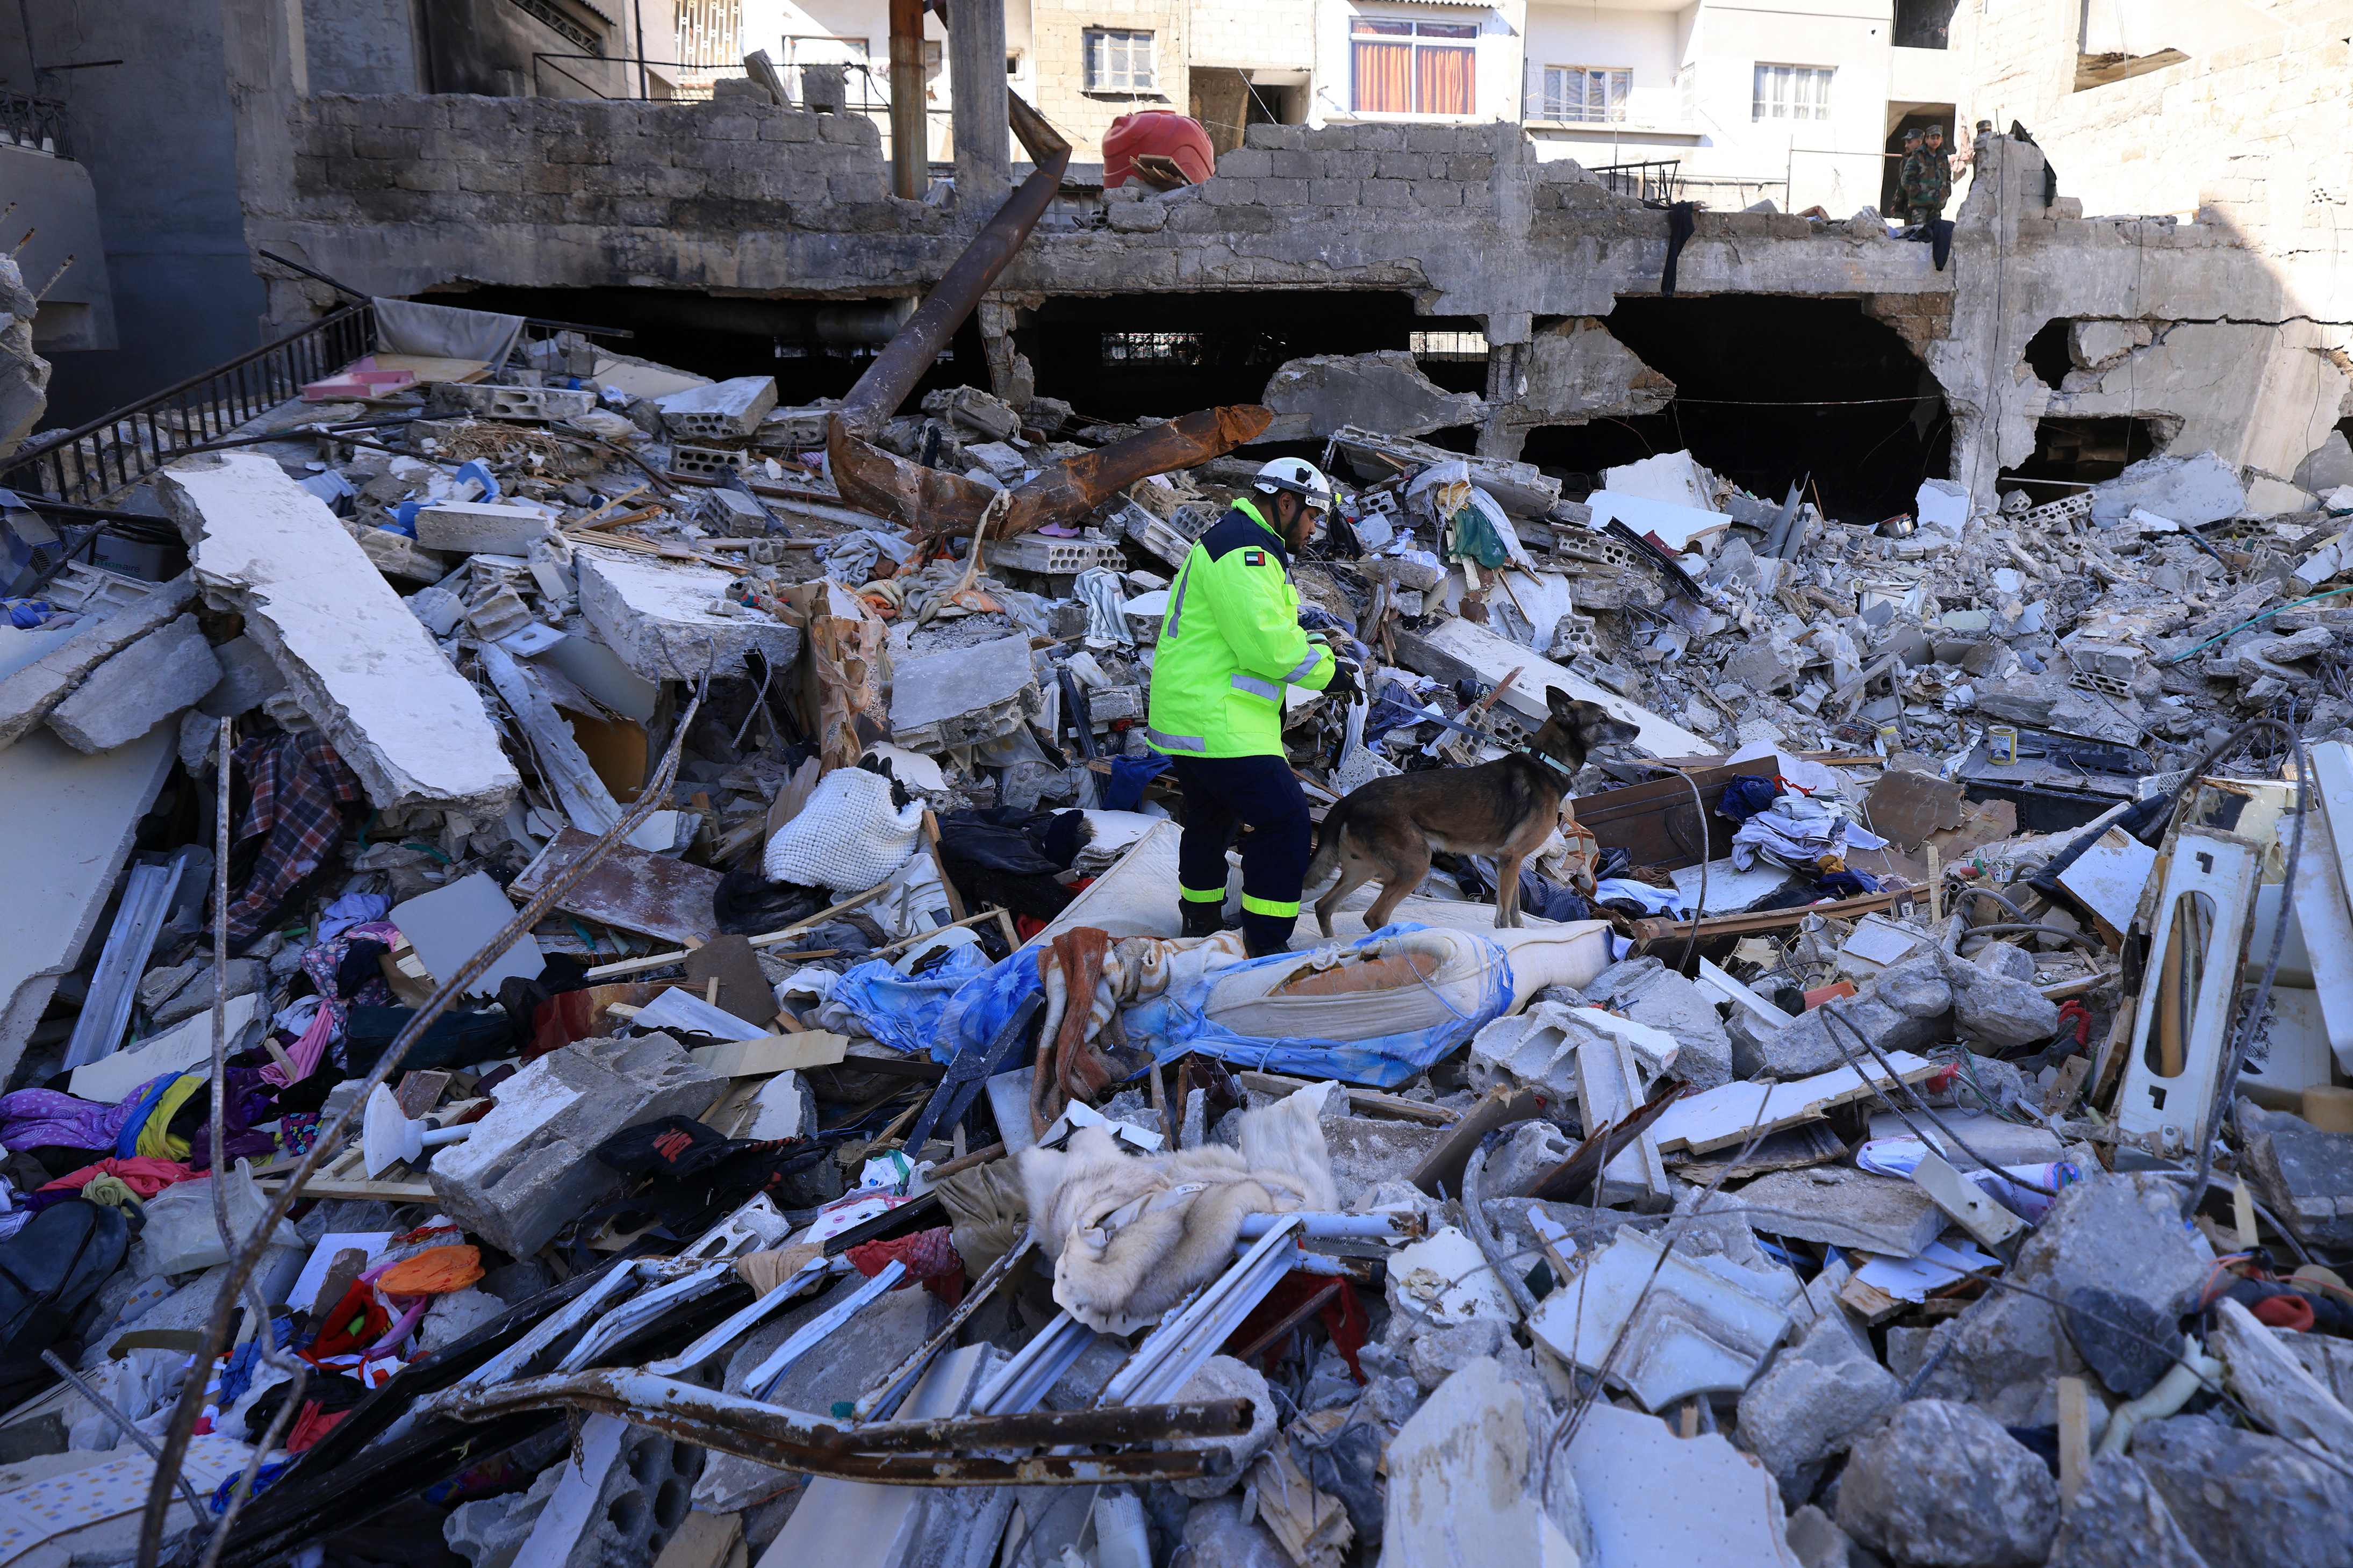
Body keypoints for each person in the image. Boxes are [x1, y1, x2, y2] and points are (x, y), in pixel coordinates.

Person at [1145, 457, 1360, 956]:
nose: (1313, 531)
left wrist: (1312, 644)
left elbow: (1263, 630)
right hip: (1221, 722)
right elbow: (1268, 647)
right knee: (1284, 821)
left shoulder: (1241, 543)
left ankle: (1199, 926)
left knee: (1211, 821)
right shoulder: (1247, 553)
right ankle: (1264, 943)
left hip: (1194, 718)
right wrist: (1332, 672)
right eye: (1311, 518)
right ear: (1286, 503)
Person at [1900, 124, 1956, 227]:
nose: (1935, 141)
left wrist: (1946, 193)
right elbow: (1906, 180)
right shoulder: (1918, 156)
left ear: (1941, 140)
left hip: (1936, 207)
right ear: (1927, 139)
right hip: (1920, 207)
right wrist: (1918, 193)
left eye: (1938, 138)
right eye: (1932, 138)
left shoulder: (1943, 158)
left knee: (1935, 237)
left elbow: (1947, 178)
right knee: (1919, 234)